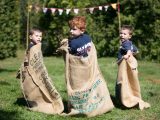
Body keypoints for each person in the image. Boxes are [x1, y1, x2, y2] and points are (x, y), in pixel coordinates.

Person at [58, 16, 114, 117]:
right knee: (89, 86)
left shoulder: (73, 42)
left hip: (79, 69)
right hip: (88, 66)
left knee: (79, 86)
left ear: (82, 30)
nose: (71, 31)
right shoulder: (88, 38)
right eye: (70, 28)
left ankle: (79, 107)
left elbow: (70, 52)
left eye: (74, 29)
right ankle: (94, 104)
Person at [16, 27, 64, 114]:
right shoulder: (31, 47)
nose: (39, 38)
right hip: (31, 73)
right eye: (36, 36)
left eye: (40, 36)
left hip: (38, 72)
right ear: (30, 37)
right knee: (34, 87)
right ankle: (37, 101)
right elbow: (27, 60)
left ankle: (42, 100)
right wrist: (26, 69)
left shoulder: (37, 46)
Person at [115, 25, 150, 110]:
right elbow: (136, 51)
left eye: (124, 34)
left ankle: (122, 101)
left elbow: (129, 51)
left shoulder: (126, 43)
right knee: (128, 81)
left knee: (121, 82)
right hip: (128, 65)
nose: (122, 35)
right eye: (121, 33)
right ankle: (129, 97)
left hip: (124, 66)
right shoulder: (130, 43)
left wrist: (127, 55)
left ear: (129, 36)